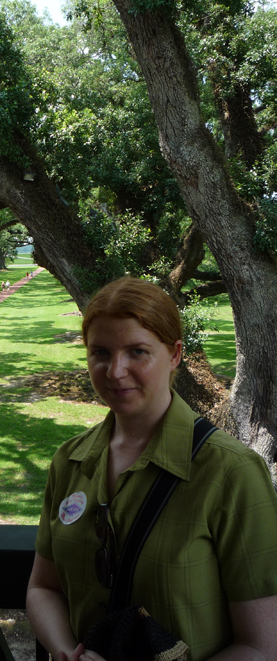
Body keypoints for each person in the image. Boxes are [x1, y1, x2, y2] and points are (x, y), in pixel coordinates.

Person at [27, 276, 277, 661]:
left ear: (175, 355)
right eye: (100, 352)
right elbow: (44, 588)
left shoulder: (232, 473)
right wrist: (68, 653)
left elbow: (262, 645)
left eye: (137, 352)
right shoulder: (70, 461)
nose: (115, 371)